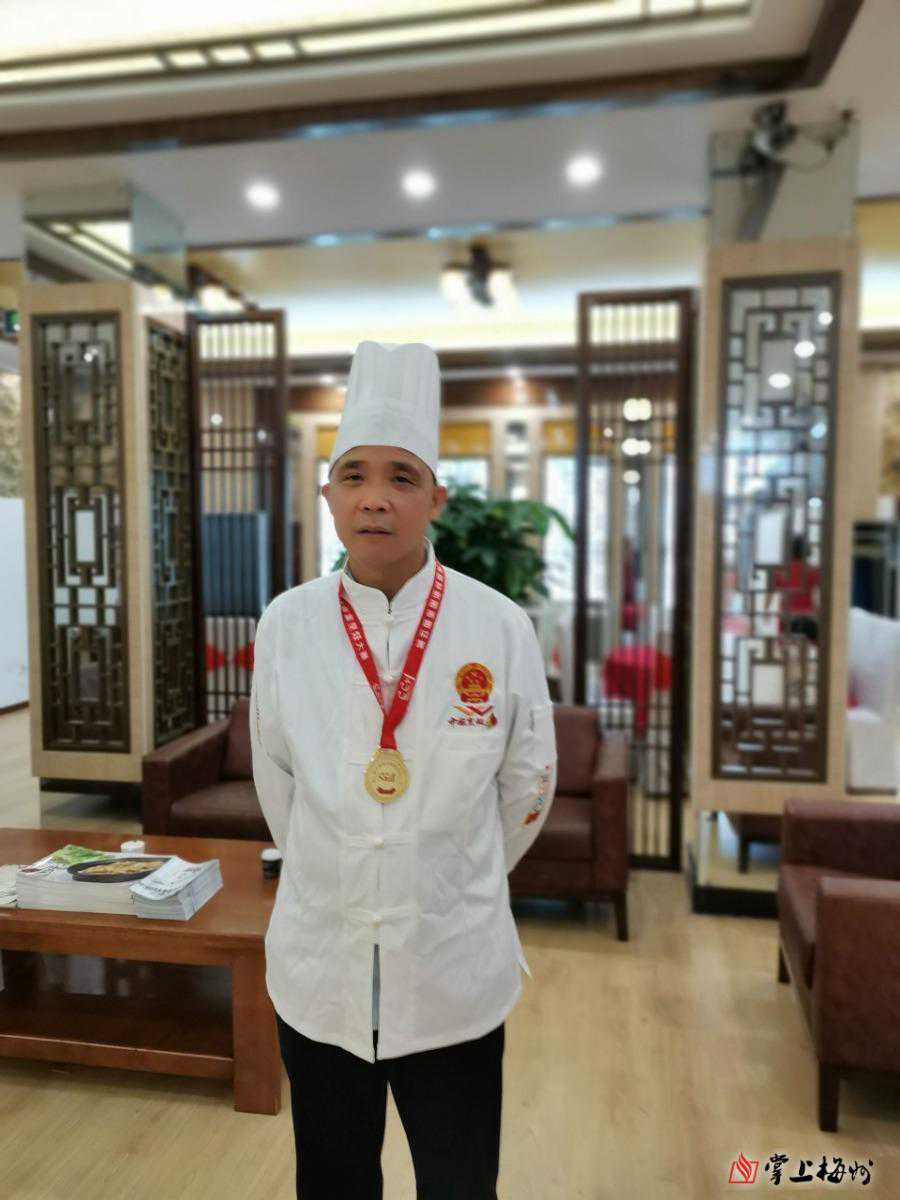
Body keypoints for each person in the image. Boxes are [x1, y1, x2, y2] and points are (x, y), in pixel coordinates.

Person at [249, 339, 558, 1199]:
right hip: (322, 964)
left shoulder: (497, 626)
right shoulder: (288, 624)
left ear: (436, 499)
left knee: (459, 1182)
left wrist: (445, 873)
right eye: (353, 475)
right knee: (334, 1181)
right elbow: (276, 776)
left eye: (401, 477)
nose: (374, 497)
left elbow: (528, 783)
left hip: (452, 966)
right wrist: (345, 862)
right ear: (328, 495)